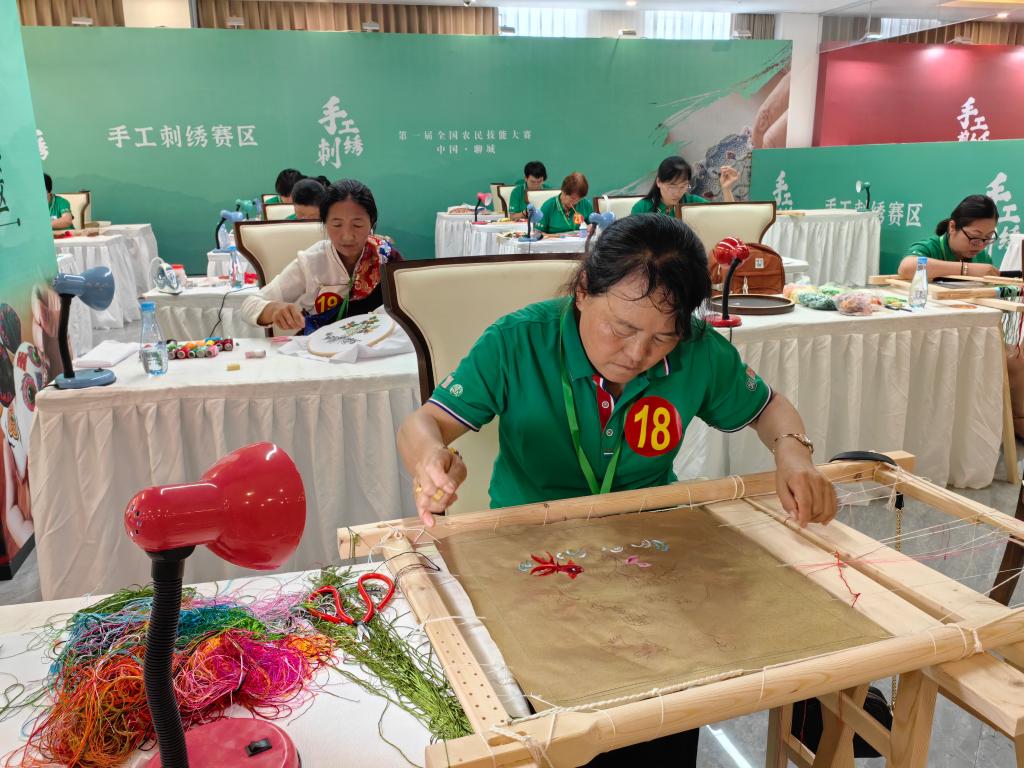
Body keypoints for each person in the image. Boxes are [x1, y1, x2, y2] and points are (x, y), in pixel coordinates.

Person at [396, 214, 836, 765]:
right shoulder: (518, 340)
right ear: (584, 290)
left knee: (667, 706)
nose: (637, 354)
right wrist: (430, 461)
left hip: (649, 542)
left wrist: (794, 453)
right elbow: (425, 423)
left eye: (662, 337)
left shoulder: (697, 350)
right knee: (556, 719)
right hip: (531, 549)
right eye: (622, 328)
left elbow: (769, 408)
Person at [240, 179, 402, 334]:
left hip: (375, 346)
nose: (347, 236)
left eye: (357, 225)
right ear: (324, 222)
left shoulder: (384, 257)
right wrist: (273, 310)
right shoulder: (312, 262)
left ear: (371, 222)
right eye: (337, 225)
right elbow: (249, 305)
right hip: (320, 347)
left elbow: (407, 306)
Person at [897, 195, 1000, 279]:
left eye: (988, 237)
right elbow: (906, 268)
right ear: (952, 227)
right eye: (975, 237)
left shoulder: (983, 257)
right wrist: (967, 269)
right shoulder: (930, 248)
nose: (981, 246)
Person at [631, 156, 738, 218]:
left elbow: (726, 218)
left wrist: (726, 189)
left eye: (683, 186)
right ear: (659, 182)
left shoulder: (693, 203)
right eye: (672, 187)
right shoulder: (642, 208)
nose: (677, 193)